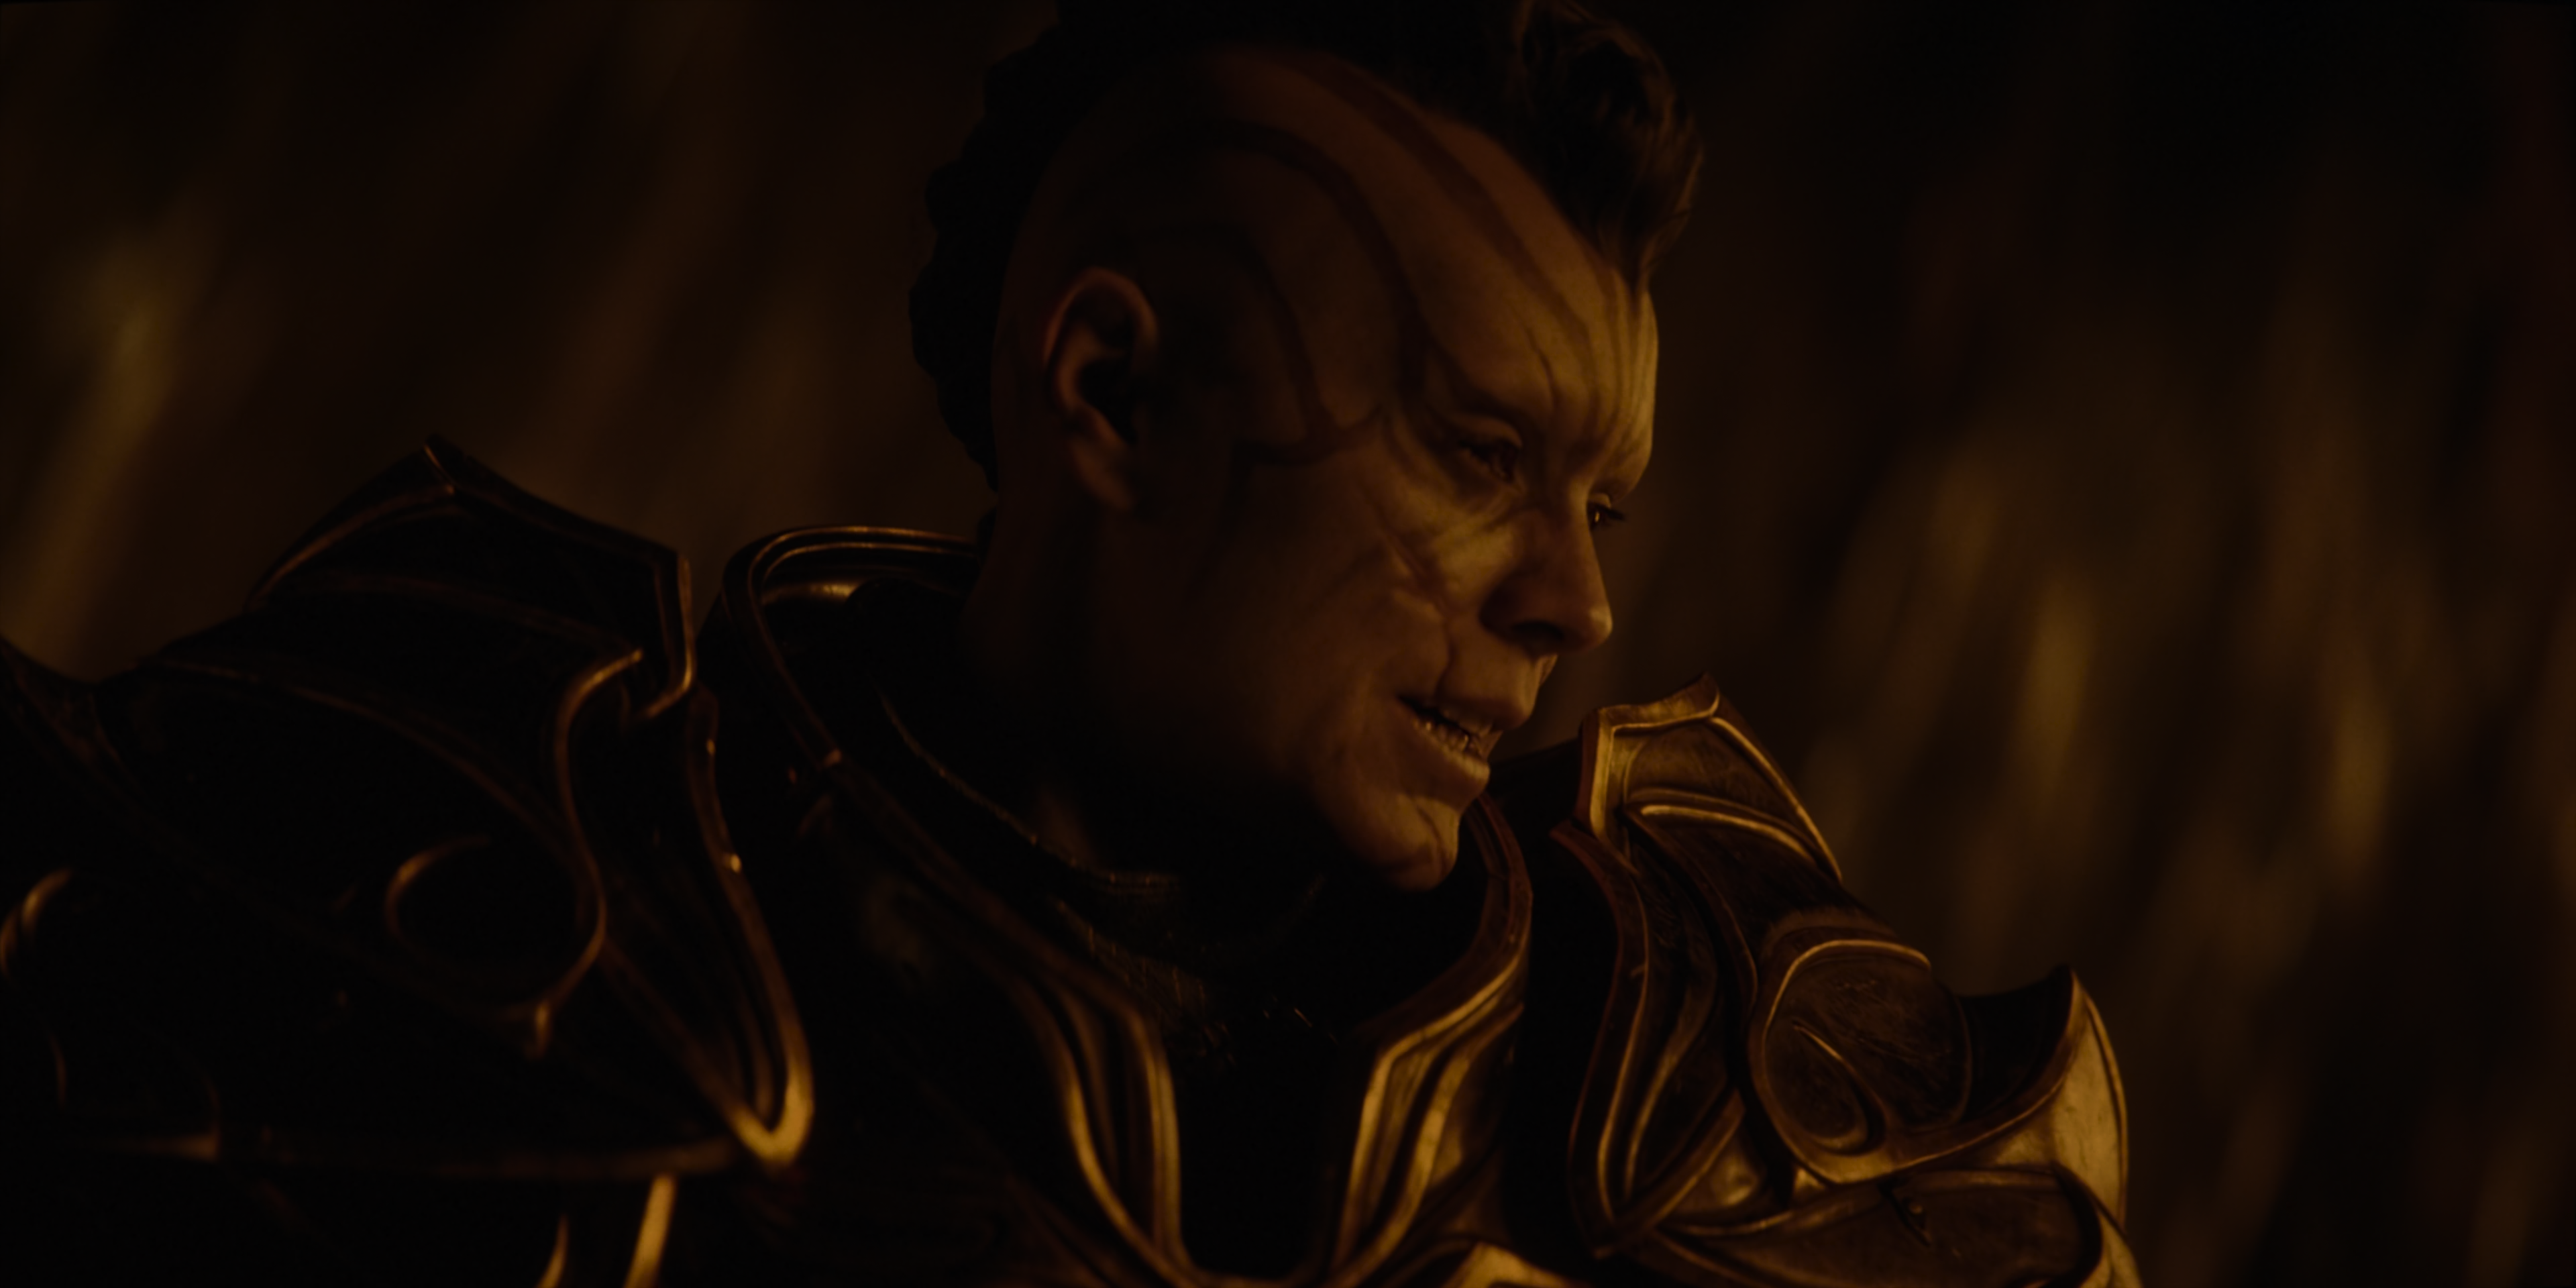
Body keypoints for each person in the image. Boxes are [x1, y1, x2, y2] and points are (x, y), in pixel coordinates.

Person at [0, 2, 2136, 1284]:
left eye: (1602, 505)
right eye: (1482, 454)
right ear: (1110, 396)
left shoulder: (1724, 1108)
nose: (1573, 605)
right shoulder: (450, 874)